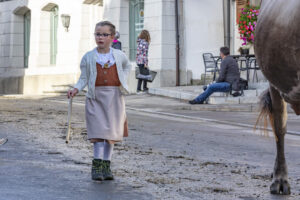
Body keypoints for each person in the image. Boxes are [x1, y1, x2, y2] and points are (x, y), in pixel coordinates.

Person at [67, 21, 131, 181]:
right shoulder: (89, 57)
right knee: (98, 132)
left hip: (114, 97)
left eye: (104, 34)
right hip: (95, 97)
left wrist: (122, 80)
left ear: (112, 37)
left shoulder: (119, 56)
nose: (100, 37)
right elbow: (84, 77)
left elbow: (127, 67)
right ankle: (96, 166)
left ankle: (106, 165)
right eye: (97, 34)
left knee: (111, 133)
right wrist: (76, 89)